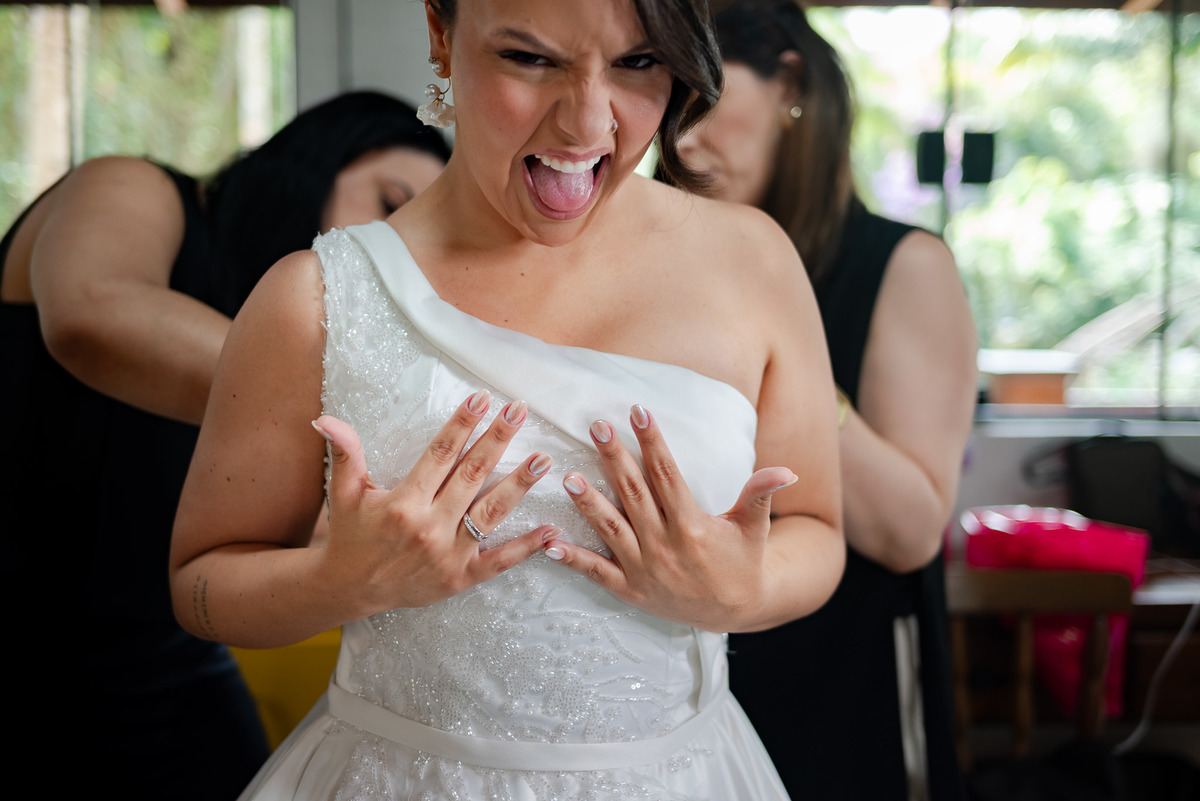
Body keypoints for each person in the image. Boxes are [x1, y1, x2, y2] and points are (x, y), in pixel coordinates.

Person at [167, 0, 846, 798]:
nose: (587, 123)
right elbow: (200, 587)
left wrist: (743, 588)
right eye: (531, 59)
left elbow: (816, 530)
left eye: (637, 63)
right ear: (441, 32)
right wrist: (341, 579)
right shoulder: (315, 299)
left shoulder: (752, 262)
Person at [0, 90, 450, 800]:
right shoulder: (134, 186)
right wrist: (311, 397)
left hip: (165, 661)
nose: (385, 251)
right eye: (387, 205)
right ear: (317, 159)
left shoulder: (310, 348)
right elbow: (90, 312)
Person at [677, 1, 978, 798]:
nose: (681, 143)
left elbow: (912, 529)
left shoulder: (902, 264)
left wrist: (787, 367)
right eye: (667, 111)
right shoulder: (670, 266)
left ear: (789, 86)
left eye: (702, 104)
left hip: (848, 679)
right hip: (696, 672)